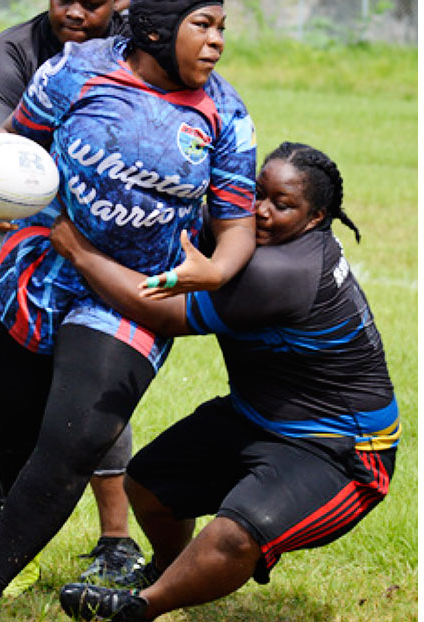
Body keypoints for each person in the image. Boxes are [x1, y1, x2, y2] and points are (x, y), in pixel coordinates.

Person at [0, 0, 257, 622]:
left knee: (75, 440)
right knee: (12, 436)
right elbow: (13, 148)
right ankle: (18, 523)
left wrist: (218, 271)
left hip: (134, 297)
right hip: (42, 269)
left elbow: (237, 221)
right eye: (204, 26)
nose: (218, 41)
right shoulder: (75, 73)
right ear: (157, 27)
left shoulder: (224, 113)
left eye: (222, 27)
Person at [42, 142, 397, 621]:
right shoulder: (261, 240)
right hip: (255, 415)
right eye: (257, 193)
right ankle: (166, 573)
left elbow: (161, 311)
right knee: (148, 484)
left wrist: (78, 251)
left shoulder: (283, 271)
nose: (261, 212)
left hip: (343, 450)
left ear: (316, 217)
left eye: (282, 204)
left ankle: (139, 609)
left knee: (236, 534)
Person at [0, 0, 145, 583]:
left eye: (91, 3)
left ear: (118, 0)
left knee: (90, 379)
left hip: (94, 242)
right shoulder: (9, 53)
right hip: (6, 227)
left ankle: (116, 537)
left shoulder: (135, 62)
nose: (73, 13)